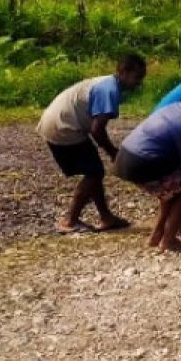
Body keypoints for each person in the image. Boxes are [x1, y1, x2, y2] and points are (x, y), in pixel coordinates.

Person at [36, 53, 146, 233]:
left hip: (60, 122)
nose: (139, 82)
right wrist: (112, 152)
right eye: (137, 77)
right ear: (123, 72)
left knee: (94, 170)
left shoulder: (109, 85)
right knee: (94, 172)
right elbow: (97, 129)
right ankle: (70, 221)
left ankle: (106, 217)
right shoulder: (109, 90)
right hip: (63, 127)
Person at [115, 83, 181, 251]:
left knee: (169, 192)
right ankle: (169, 240)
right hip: (142, 161)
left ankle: (156, 235)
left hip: (124, 155)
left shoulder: (178, 106)